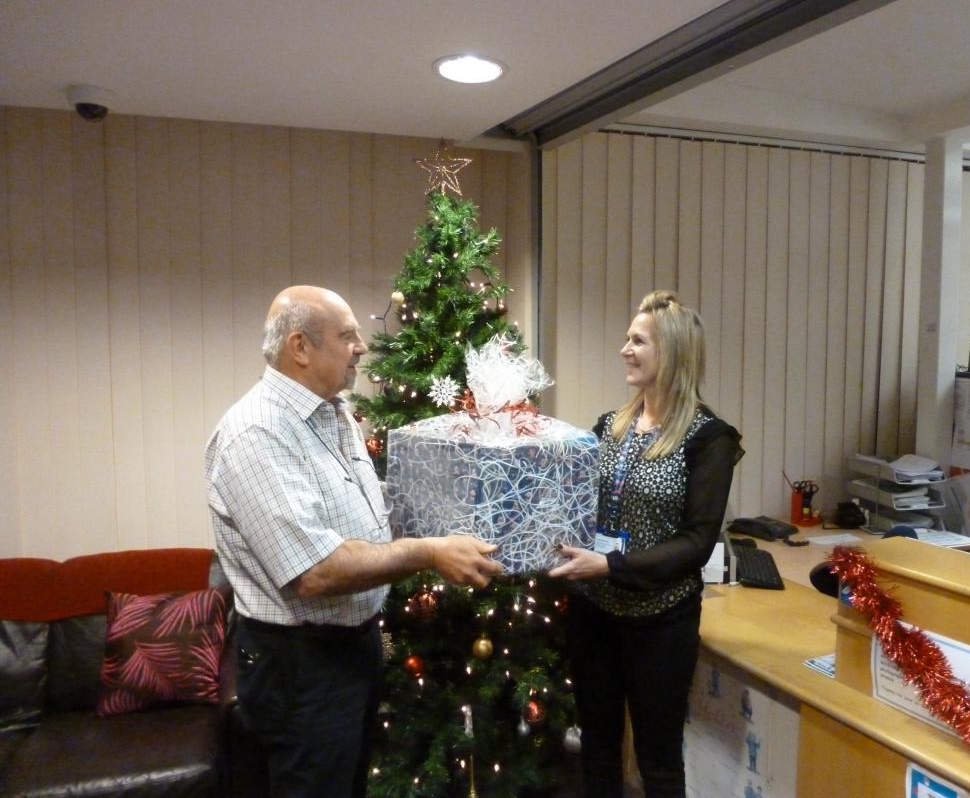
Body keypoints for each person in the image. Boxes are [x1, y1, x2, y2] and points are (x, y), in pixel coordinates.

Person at [205, 285, 503, 798]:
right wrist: (429, 552)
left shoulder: (332, 413)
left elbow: (368, 513)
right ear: (300, 347)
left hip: (348, 651)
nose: (362, 346)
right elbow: (315, 570)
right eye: (347, 336)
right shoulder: (256, 434)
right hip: (299, 665)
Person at [549, 290, 743, 798]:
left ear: (672, 352)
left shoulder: (709, 439)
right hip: (595, 616)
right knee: (597, 747)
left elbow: (698, 543)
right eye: (627, 338)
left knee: (657, 762)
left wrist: (610, 565)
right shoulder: (609, 427)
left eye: (638, 341)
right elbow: (576, 504)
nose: (624, 350)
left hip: (660, 622)